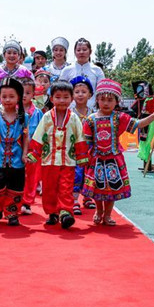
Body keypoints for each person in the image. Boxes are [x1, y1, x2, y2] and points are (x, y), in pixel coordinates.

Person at [82, 79, 154, 226]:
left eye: (110, 100)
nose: (106, 103)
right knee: (97, 187)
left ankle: (107, 214)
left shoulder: (119, 117)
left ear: (116, 101)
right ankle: (98, 211)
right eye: (102, 99)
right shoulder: (90, 120)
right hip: (96, 160)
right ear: (97, 100)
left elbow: (138, 124)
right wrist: (83, 158)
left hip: (114, 159)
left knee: (112, 188)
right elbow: (85, 142)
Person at [28, 81, 89, 229]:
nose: (62, 100)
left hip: (68, 161)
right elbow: (38, 135)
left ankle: (65, 212)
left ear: (71, 99)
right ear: (51, 98)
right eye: (58, 97)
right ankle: (52, 212)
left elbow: (80, 137)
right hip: (49, 160)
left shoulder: (74, 118)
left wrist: (82, 157)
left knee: (66, 187)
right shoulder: (47, 117)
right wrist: (34, 153)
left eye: (66, 97)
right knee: (49, 189)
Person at [0, 77, 29, 226]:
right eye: (4, 96)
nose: (7, 100)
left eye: (11, 96)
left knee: (16, 187)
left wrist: (24, 154)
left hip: (17, 160)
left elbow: (26, 137)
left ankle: (12, 213)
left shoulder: (23, 117)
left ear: (18, 98)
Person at [69, 76, 95, 215]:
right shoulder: (70, 113)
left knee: (89, 173)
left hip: (90, 149)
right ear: (72, 95)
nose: (80, 94)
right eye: (77, 92)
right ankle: (74, 200)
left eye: (84, 92)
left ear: (90, 95)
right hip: (74, 149)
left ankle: (87, 197)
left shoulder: (94, 113)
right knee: (76, 174)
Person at [20, 78, 44, 216]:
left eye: (28, 93)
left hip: (33, 151)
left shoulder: (38, 113)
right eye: (21, 92)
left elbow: (42, 132)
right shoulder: (12, 110)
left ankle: (27, 202)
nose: (24, 95)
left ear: (33, 94)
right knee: (17, 176)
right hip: (16, 149)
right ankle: (16, 200)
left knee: (32, 177)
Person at [59, 38, 104, 109]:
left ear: (90, 51)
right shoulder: (66, 70)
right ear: (74, 52)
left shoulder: (97, 70)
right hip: (71, 109)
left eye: (84, 49)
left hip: (92, 109)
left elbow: (102, 91)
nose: (81, 52)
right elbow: (61, 91)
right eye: (78, 50)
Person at [131, 82, 154, 171]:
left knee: (147, 141)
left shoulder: (153, 99)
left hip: (149, 123)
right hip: (143, 122)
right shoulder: (146, 99)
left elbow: (152, 113)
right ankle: (145, 163)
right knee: (143, 140)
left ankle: (147, 164)